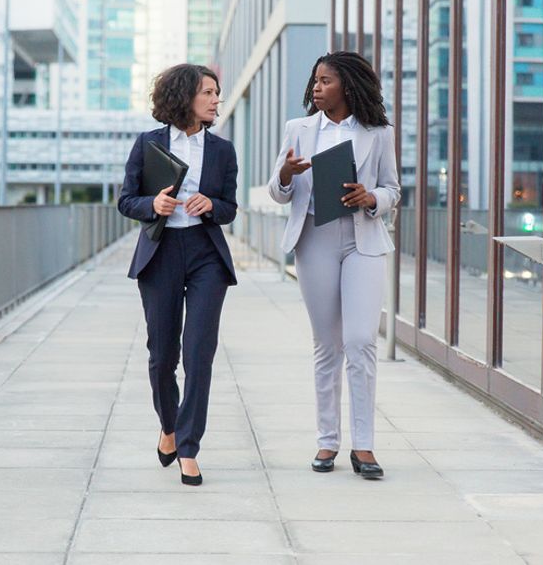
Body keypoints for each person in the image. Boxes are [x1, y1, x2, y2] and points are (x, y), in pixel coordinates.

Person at [267, 51, 400, 480]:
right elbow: (278, 193)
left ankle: (364, 446)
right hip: (315, 240)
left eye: (325, 81)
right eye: (315, 81)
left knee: (361, 340)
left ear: (347, 85)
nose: (316, 88)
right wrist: (286, 174)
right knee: (327, 344)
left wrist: (373, 198)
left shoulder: (378, 133)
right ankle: (328, 441)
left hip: (362, 240)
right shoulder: (298, 129)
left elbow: (393, 189)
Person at [117, 64, 238, 486]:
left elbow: (230, 207)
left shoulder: (222, 150)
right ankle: (168, 426)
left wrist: (212, 205)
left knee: (199, 352)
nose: (216, 99)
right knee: (162, 356)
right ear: (186, 96)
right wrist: (154, 205)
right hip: (162, 252)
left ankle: (188, 446)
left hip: (206, 256)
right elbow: (126, 200)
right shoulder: (148, 143)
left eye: (217, 93)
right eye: (209, 92)